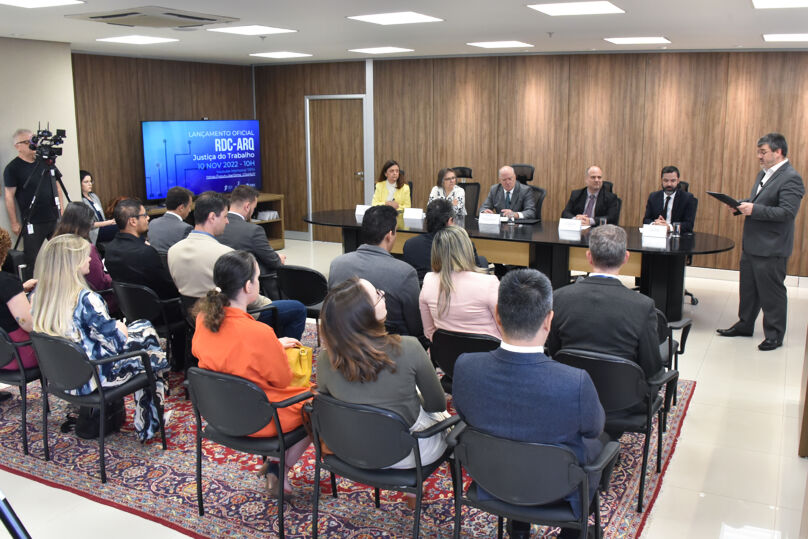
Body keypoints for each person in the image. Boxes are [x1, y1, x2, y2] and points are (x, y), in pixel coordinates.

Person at [452, 269, 605, 539]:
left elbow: (464, 414)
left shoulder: (465, 366)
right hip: (556, 489)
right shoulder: (575, 382)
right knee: (596, 444)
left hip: (492, 479)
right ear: (549, 320)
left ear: (497, 315)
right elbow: (594, 429)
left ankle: (518, 528)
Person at [191, 250, 311, 496]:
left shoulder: (204, 319)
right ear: (248, 286)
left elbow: (226, 354)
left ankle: (275, 467)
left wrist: (272, 345)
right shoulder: (258, 332)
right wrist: (271, 347)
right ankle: (279, 468)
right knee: (316, 403)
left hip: (217, 412)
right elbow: (282, 379)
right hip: (258, 418)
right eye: (257, 278)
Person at [31, 234, 169, 441]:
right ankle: (150, 423)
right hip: (94, 377)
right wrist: (120, 328)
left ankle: (152, 417)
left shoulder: (38, 297)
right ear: (73, 263)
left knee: (143, 329)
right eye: (85, 256)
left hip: (62, 377)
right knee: (150, 351)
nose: (90, 260)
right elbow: (117, 345)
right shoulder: (87, 300)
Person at [318, 277, 449, 472]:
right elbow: (436, 404)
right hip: (406, 453)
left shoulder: (324, 359)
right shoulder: (410, 347)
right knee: (444, 416)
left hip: (349, 448)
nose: (383, 294)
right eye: (377, 294)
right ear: (365, 315)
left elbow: (330, 405)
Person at [168, 192, 306, 340]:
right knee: (297, 308)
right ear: (212, 217)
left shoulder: (173, 251)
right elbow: (247, 297)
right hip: (227, 320)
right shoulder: (226, 254)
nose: (227, 222)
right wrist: (269, 303)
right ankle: (282, 352)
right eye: (225, 216)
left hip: (193, 320)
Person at [717, 133, 805, 351]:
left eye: (763, 152)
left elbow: (786, 212)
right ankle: (745, 325)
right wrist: (741, 206)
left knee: (771, 293)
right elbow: (759, 202)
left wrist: (753, 209)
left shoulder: (791, 177)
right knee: (749, 290)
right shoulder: (764, 173)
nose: (759, 156)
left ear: (779, 152)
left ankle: (774, 335)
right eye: (758, 152)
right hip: (753, 244)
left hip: (771, 248)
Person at [546, 225, 662, 379]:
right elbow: (651, 369)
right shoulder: (643, 305)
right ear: (626, 258)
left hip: (569, 391)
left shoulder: (558, 297)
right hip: (624, 400)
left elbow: (554, 353)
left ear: (589, 257)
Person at [104, 199, 186, 368]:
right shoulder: (145, 252)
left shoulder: (111, 249)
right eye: (144, 215)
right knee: (188, 304)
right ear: (132, 221)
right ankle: (183, 362)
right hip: (158, 313)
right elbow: (167, 288)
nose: (148, 218)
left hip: (131, 310)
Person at [328, 205, 424, 344]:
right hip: (391, 346)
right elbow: (416, 326)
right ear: (389, 235)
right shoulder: (405, 273)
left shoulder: (337, 264)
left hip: (346, 341)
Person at [4, 129, 66, 279]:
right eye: (28, 142)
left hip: (53, 218)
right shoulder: (13, 168)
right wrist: (14, 222)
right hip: (32, 221)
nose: (34, 145)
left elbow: (58, 187)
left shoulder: (45, 162)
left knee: (63, 255)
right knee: (31, 261)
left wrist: (62, 212)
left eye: (34, 141)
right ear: (17, 146)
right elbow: (9, 196)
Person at [419, 226, 500, 341]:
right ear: (467, 249)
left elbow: (429, 332)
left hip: (444, 357)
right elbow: (506, 331)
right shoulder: (489, 283)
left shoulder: (428, 281)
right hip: (487, 356)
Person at [52, 202, 116, 313]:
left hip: (64, 303)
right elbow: (100, 284)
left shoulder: (55, 245)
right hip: (93, 303)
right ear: (85, 225)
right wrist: (116, 277)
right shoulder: (85, 249)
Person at [402, 198, 486, 283]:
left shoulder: (410, 245)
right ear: (450, 221)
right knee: (482, 260)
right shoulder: (464, 245)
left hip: (422, 292)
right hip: (454, 292)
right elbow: (476, 277)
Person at [218, 184, 285, 275]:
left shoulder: (216, 226)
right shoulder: (254, 231)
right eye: (254, 208)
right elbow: (273, 262)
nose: (253, 212)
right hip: (246, 279)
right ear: (247, 206)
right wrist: (278, 258)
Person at [0, 227, 38, 386]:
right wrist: (35, 300)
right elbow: (29, 325)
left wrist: (20, 290)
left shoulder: (9, 286)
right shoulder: (7, 282)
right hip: (17, 355)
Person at [642, 165, 697, 233]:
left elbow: (689, 225)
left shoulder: (687, 198)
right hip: (657, 236)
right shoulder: (653, 197)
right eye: (666, 180)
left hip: (678, 238)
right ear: (661, 180)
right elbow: (646, 220)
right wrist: (655, 224)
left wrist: (669, 227)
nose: (669, 184)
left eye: (673, 181)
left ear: (678, 181)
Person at [147, 186, 193, 255]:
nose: (189, 210)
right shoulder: (186, 229)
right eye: (189, 207)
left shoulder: (152, 224)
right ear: (181, 208)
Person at [79, 170, 116, 244]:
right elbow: (89, 224)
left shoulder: (94, 196)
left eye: (90, 181)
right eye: (86, 182)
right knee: (121, 229)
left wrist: (109, 222)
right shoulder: (81, 201)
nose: (90, 184)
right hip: (93, 231)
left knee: (123, 224)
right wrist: (108, 223)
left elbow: (101, 217)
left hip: (103, 225)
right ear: (79, 184)